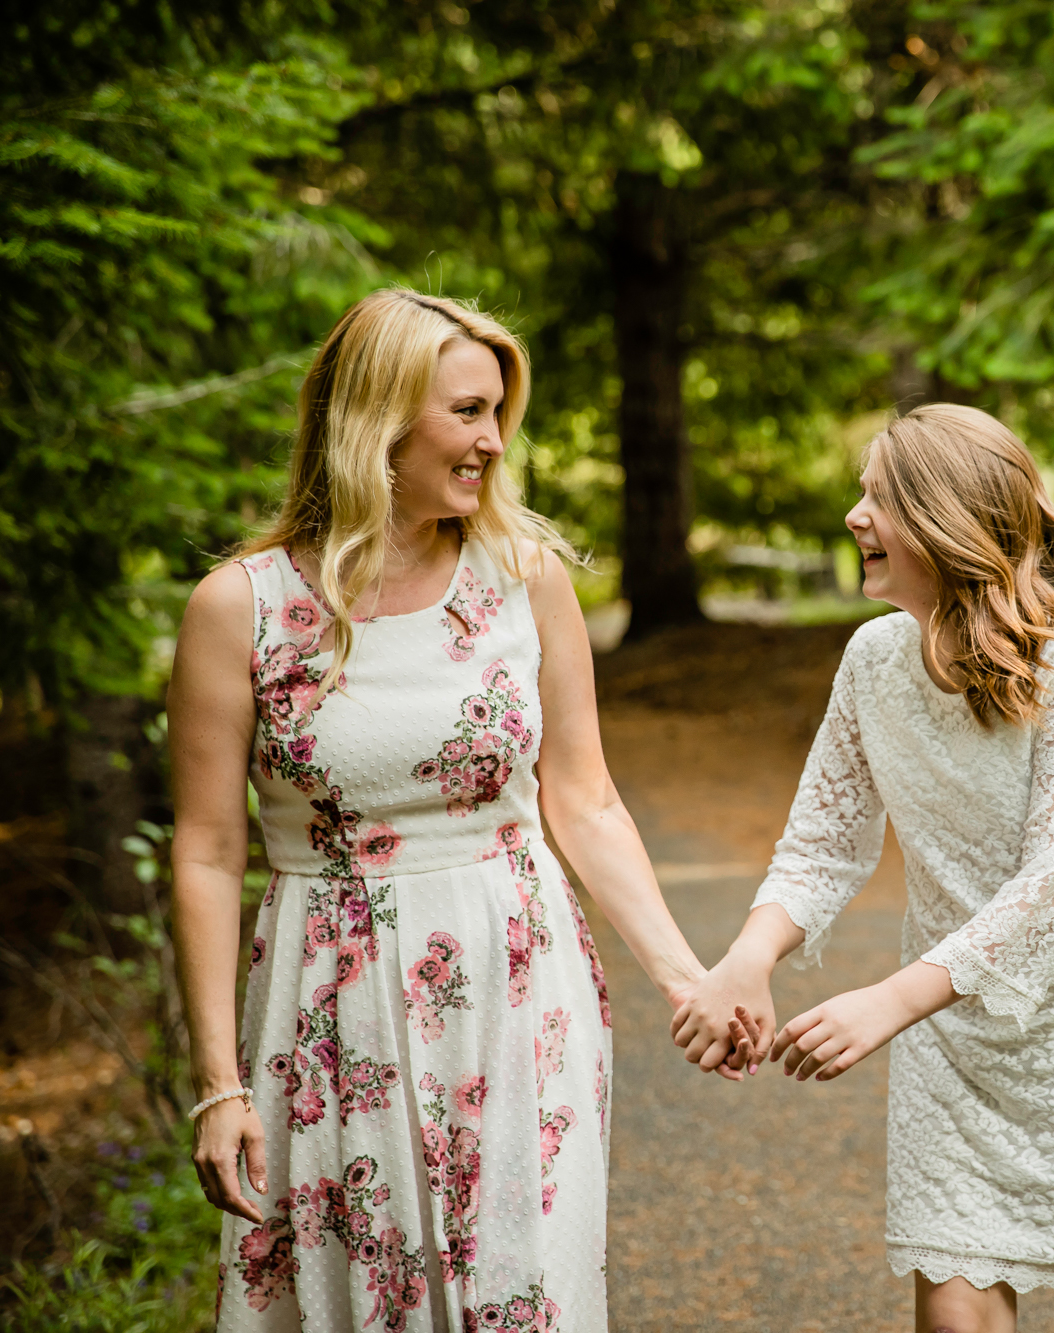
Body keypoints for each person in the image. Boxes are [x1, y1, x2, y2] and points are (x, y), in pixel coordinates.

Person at [170, 288, 716, 1332]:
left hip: (515, 978)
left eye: (498, 412)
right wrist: (217, 1083)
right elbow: (204, 850)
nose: (494, 442)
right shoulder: (239, 608)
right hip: (330, 996)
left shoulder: (524, 580)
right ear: (376, 418)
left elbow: (584, 797)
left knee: (525, 1295)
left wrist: (682, 975)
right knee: (353, 1290)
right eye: (467, 412)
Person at [672, 404, 1054, 1333]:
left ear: (949, 519)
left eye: (882, 497)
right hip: (954, 1039)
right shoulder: (871, 660)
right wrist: (748, 957)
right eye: (861, 494)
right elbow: (825, 838)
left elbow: (1049, 884)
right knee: (954, 1314)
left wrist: (886, 1001)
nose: (856, 515)